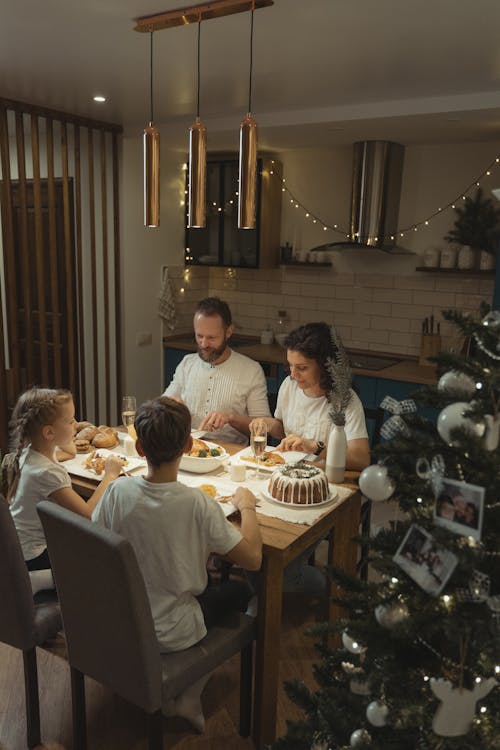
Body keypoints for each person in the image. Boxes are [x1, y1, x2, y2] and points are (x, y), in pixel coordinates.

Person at [92, 396, 262, 730]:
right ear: (188, 444)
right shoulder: (198, 504)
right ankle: (190, 693)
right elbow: (254, 559)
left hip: (122, 621)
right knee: (244, 593)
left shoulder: (117, 492)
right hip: (171, 631)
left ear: (139, 449)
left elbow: (96, 541)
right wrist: (248, 507)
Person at [7, 387, 124, 593]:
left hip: (17, 548)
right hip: (34, 556)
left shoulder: (33, 452)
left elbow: (68, 453)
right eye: (70, 420)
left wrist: (67, 431)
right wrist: (110, 476)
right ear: (49, 432)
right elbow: (88, 515)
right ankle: (40, 579)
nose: (76, 424)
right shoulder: (47, 473)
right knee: (101, 561)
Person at [252, 322, 370, 471]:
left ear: (324, 366)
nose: (293, 375)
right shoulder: (289, 385)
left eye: (302, 368)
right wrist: (268, 424)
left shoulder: (345, 400)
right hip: (289, 471)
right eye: (290, 365)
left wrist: (314, 447)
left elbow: (361, 460)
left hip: (325, 477)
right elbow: (283, 429)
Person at [163, 297, 271, 444]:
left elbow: (264, 427)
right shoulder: (187, 363)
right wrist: (171, 405)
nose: (204, 344)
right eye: (199, 336)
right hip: (189, 447)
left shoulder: (251, 370)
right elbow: (163, 404)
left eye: (211, 337)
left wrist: (231, 418)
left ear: (229, 332)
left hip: (232, 454)